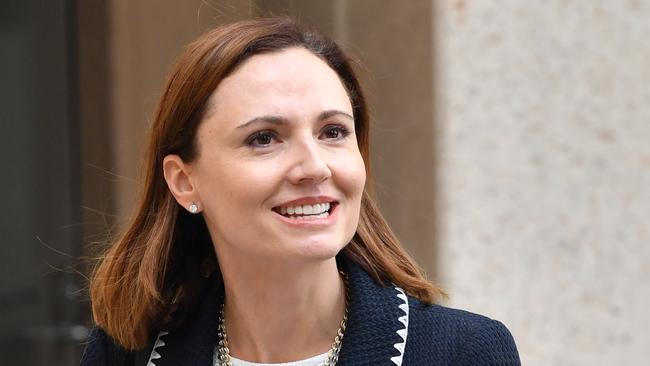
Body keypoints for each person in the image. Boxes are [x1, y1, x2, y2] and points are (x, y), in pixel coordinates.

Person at [81, 16, 520, 366]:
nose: (313, 167)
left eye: (333, 132)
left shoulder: (464, 352)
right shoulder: (123, 354)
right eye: (264, 138)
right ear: (183, 180)